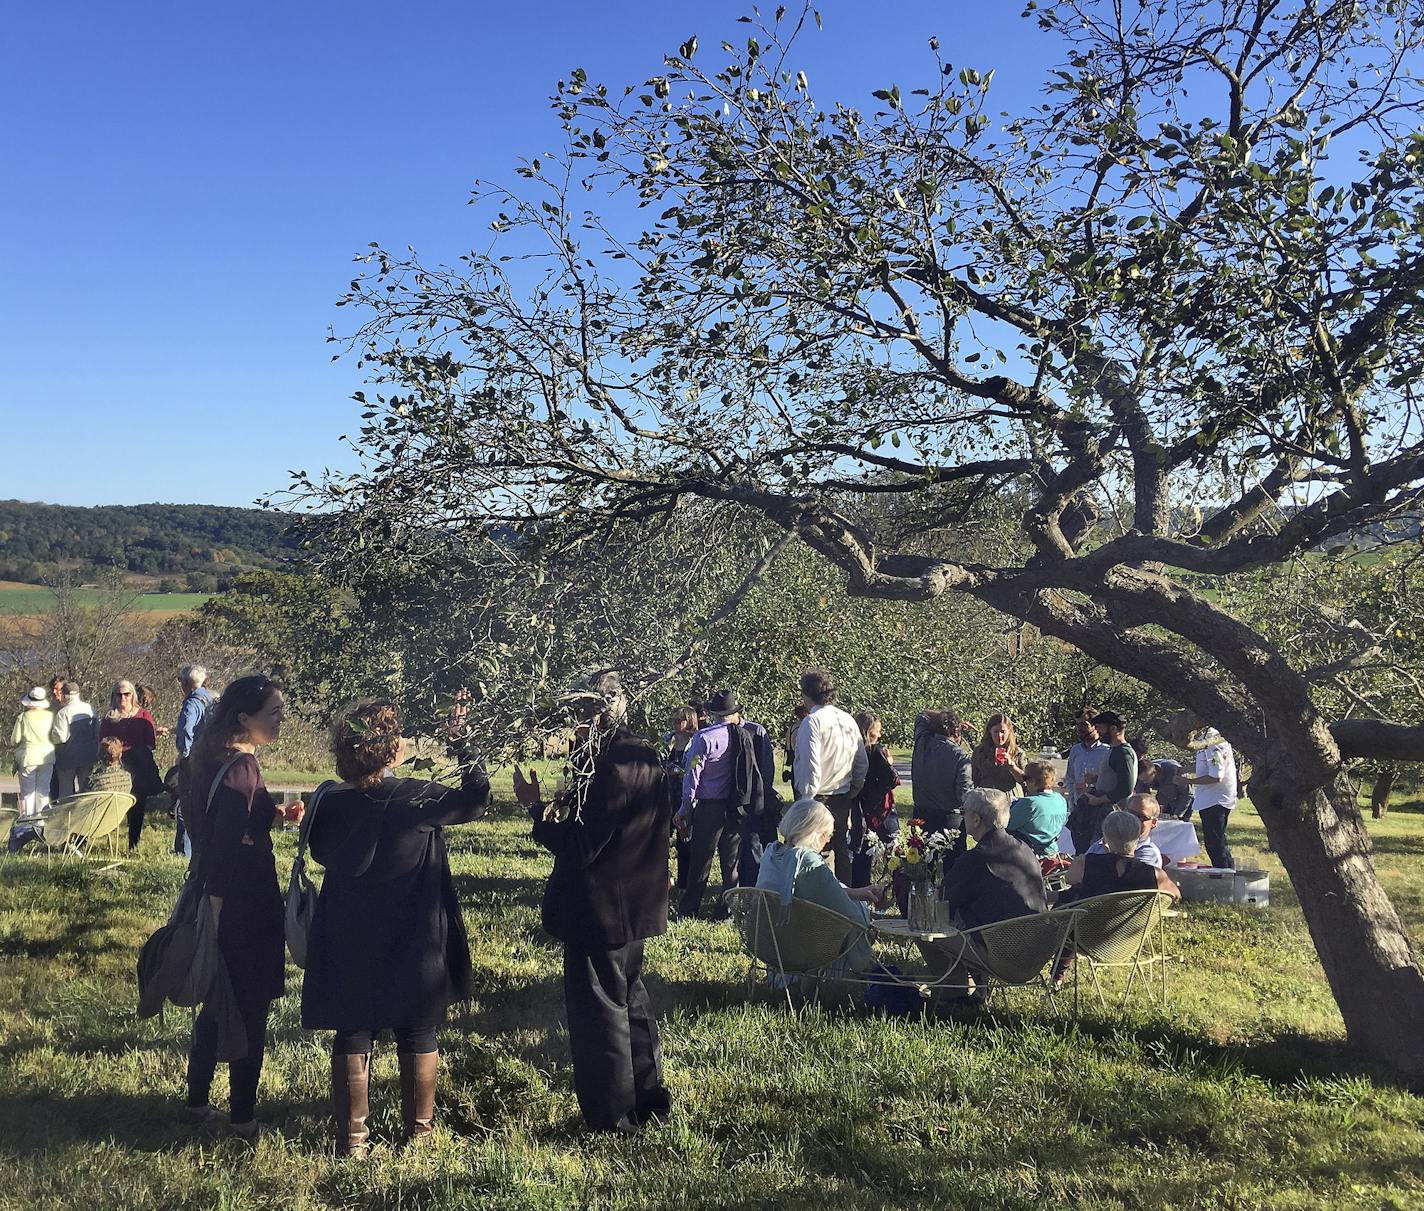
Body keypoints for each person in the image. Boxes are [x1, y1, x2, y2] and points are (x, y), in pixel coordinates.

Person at [302, 699, 491, 1157]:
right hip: (413, 934)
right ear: (390, 748)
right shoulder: (416, 797)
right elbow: (476, 799)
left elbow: (320, 851)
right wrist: (464, 742)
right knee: (417, 1028)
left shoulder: (328, 801)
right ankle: (420, 1138)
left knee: (353, 1027)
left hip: (348, 931)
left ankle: (352, 1140)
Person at [516, 671, 672, 1135]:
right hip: (639, 902)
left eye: (581, 716)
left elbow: (582, 846)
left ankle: (614, 1118)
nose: (575, 726)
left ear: (599, 716)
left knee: (601, 1014)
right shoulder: (645, 753)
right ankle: (651, 1100)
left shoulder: (605, 769)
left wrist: (536, 811)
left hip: (600, 907)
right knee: (633, 1003)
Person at [184, 674, 304, 1142]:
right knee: (249, 1009)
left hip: (216, 895)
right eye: (273, 713)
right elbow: (228, 846)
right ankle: (243, 1118)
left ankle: (196, 1102)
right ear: (244, 718)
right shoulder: (242, 770)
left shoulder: (209, 760)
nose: (279, 720)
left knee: (216, 1003)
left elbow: (221, 825)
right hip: (242, 904)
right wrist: (216, 912)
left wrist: (271, 816)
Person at [674, 688, 776, 918]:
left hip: (710, 805)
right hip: (736, 805)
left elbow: (693, 775)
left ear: (713, 714)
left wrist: (685, 808)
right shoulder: (744, 736)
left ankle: (689, 909)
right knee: (731, 862)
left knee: (701, 860)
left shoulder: (705, 738)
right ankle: (727, 910)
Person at [756, 797, 886, 976]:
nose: (828, 842)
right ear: (816, 833)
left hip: (769, 941)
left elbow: (822, 890)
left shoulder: (772, 852)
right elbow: (850, 915)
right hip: (805, 945)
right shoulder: (808, 861)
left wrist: (858, 893)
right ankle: (867, 970)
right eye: (828, 835)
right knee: (858, 911)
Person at [793, 670, 868, 882]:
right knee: (841, 851)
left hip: (817, 796)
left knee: (811, 852)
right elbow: (861, 762)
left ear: (807, 694)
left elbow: (811, 765)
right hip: (842, 794)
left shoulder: (812, 721)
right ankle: (846, 898)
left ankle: (816, 899)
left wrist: (806, 801)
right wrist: (852, 789)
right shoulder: (848, 720)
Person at [940, 788, 1047, 931]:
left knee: (928, 931)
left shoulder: (976, 858)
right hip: (1039, 939)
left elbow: (943, 899)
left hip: (998, 947)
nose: (962, 817)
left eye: (964, 812)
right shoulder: (1024, 847)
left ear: (976, 819)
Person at [1060, 809, 1181, 904]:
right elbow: (1175, 895)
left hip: (1085, 930)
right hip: (1131, 932)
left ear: (1105, 836)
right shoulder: (1155, 873)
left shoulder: (1086, 863)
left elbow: (1070, 880)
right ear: (1137, 835)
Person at [100, 680, 161, 850]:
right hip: (116, 765)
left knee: (137, 803)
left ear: (133, 695)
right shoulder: (108, 718)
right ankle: (105, 838)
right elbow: (103, 743)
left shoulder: (143, 715)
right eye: (119, 694)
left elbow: (150, 742)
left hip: (139, 765)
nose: (123, 698)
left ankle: (133, 843)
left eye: (126, 694)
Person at [1069, 710, 1137, 853]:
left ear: (1112, 729)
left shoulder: (1122, 752)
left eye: (1100, 728)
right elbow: (1115, 778)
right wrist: (1097, 779)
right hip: (1103, 812)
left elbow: (1126, 787)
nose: (1098, 732)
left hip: (1111, 813)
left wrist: (1098, 800)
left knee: (1100, 851)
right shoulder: (1114, 750)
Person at [910, 707, 973, 851]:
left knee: (921, 864)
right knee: (953, 867)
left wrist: (943, 717)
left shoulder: (921, 743)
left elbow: (922, 714)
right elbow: (964, 795)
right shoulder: (961, 757)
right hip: (950, 818)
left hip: (921, 814)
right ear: (957, 732)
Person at [850, 711, 901, 888]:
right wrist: (890, 763)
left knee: (862, 852)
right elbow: (892, 778)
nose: (879, 735)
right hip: (881, 808)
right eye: (876, 731)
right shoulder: (875, 751)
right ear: (866, 732)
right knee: (894, 850)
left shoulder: (851, 753)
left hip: (860, 807)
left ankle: (860, 891)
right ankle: (895, 888)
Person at [1179, 726, 1238, 869]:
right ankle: (1226, 872)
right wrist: (1186, 769)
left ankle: (1224, 874)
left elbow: (1216, 775)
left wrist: (1188, 781)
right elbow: (1205, 764)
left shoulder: (1214, 742)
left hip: (1216, 799)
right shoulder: (1203, 740)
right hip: (1209, 799)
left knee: (1215, 844)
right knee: (1215, 842)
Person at [173, 665, 216, 855]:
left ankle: (185, 851)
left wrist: (184, 754)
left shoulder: (191, 703)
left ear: (186, 683)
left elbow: (186, 730)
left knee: (187, 805)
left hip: (194, 760)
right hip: (211, 758)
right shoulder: (211, 699)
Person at [663, 705, 699, 891]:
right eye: (674, 720)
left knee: (685, 840)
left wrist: (681, 771)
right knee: (662, 839)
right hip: (667, 795)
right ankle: (665, 878)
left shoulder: (696, 743)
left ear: (690, 721)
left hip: (686, 796)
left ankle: (685, 883)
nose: (676, 724)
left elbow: (696, 764)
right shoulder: (667, 740)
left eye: (680, 720)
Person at [1007, 761, 1069, 858]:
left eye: (1025, 778)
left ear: (1033, 781)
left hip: (1027, 856)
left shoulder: (1030, 803)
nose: (1024, 782)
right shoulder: (1060, 799)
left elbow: (1005, 825)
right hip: (1051, 853)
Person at [49, 681, 98, 801]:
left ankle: (66, 815)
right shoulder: (89, 708)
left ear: (65, 695)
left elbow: (61, 737)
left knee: (66, 791)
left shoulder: (63, 713)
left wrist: (51, 737)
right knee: (85, 789)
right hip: (88, 755)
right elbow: (97, 732)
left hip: (67, 757)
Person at [1086, 792, 1163, 868]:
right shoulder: (1103, 842)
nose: (1133, 819)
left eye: (1140, 816)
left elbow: (1129, 878)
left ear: (1153, 822)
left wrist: (1111, 856)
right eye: (1130, 813)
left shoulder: (1149, 854)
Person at [11, 687, 56, 818]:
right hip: (47, 757)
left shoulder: (23, 717)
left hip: (28, 757)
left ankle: (28, 822)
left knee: (28, 793)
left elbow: (15, 740)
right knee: (43, 792)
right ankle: (41, 821)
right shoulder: (51, 716)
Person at [970, 713, 1027, 795]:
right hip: (987, 797)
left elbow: (1026, 780)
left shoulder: (1018, 753)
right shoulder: (980, 752)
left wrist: (1012, 766)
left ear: (1009, 732)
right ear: (990, 731)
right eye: (996, 731)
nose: (999, 736)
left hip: (1011, 798)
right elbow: (974, 779)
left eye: (1003, 732)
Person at [1134, 742, 1193, 820]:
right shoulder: (1143, 774)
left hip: (1182, 803)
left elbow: (1187, 795)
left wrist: (1177, 814)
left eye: (1146, 780)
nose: (1145, 783)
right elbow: (1143, 795)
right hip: (1163, 801)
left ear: (1155, 772)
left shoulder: (1175, 771)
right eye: (1143, 780)